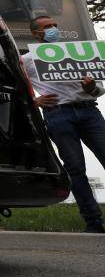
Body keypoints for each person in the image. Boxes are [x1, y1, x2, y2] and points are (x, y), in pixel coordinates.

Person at [23, 15, 105, 233]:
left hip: (90, 112)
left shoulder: (78, 53)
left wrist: (92, 89)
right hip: (58, 116)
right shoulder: (27, 61)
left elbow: (100, 85)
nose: (53, 29)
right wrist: (34, 101)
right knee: (75, 169)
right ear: (35, 33)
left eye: (54, 25)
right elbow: (19, 89)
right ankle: (93, 222)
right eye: (47, 27)